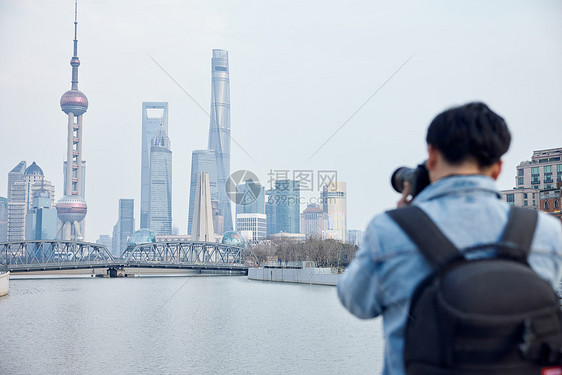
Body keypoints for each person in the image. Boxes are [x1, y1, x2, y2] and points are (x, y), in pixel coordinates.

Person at [337, 102, 562, 375]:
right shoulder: (546, 232)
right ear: (497, 168)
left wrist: (407, 219)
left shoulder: (389, 230)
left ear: (431, 156)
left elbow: (356, 302)